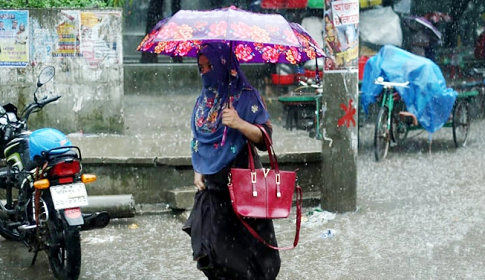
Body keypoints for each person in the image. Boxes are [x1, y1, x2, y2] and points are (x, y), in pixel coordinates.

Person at [182, 42, 280, 280]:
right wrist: (199, 167)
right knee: (212, 253)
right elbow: (199, 138)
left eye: (210, 66)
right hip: (213, 190)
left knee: (249, 256)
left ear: (225, 65)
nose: (205, 72)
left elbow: (265, 140)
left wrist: (239, 123)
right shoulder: (204, 101)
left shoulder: (247, 97)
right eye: (201, 67)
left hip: (243, 187)